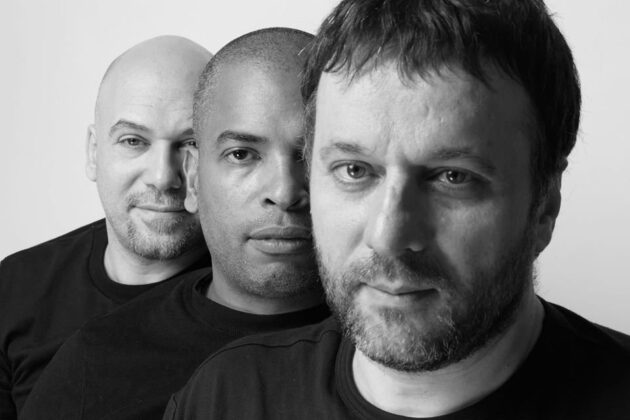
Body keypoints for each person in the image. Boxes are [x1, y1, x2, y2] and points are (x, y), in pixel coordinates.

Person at [164, 1, 630, 419]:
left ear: (545, 203)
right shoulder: (226, 396)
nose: (388, 236)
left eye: (452, 177)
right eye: (354, 170)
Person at [20, 28, 328, 420]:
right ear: (194, 178)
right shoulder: (95, 360)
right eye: (241, 154)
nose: (284, 192)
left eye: (310, 153)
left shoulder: (388, 341)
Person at [0, 36, 212, 418]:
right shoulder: (16, 286)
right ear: (93, 152)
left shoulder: (250, 300)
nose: (163, 177)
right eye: (133, 141)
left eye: (191, 143)